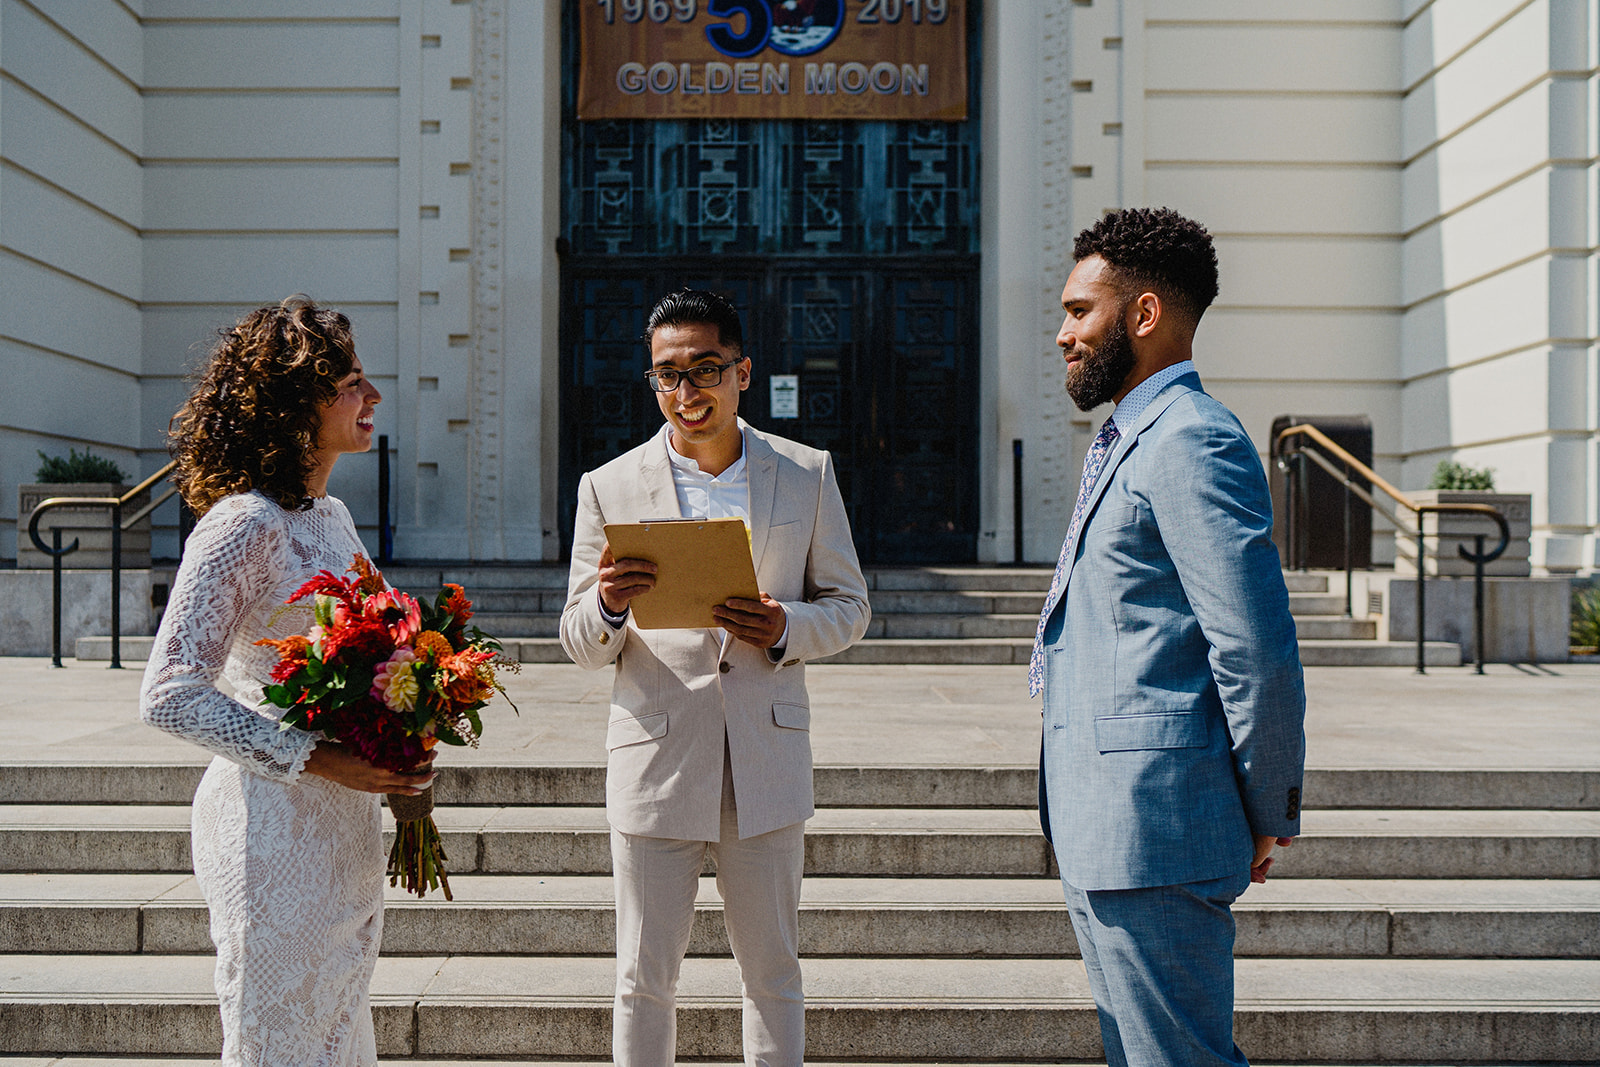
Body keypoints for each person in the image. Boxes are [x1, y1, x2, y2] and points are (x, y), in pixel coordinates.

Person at [560, 288, 870, 1067]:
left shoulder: (806, 473)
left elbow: (851, 605)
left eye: (704, 370)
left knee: (772, 973)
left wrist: (786, 628)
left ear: (743, 373)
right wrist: (607, 603)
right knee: (641, 977)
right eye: (667, 375)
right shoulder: (608, 485)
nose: (685, 391)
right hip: (656, 757)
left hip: (765, 758)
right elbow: (576, 639)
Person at [1030, 208, 1306, 1066]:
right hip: (1106, 828)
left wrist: (1265, 807)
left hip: (1158, 829)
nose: (1064, 332)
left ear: (1144, 315)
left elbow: (1256, 651)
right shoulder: (1126, 438)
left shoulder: (1191, 438)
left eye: (1081, 311)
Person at [140, 298, 433, 1067]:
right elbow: (168, 689)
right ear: (298, 403)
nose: (371, 398)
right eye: (352, 383)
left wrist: (412, 721)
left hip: (345, 827)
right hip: (269, 826)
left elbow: (383, 651)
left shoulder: (331, 516)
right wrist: (318, 758)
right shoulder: (242, 523)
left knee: (336, 1031)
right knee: (276, 1037)